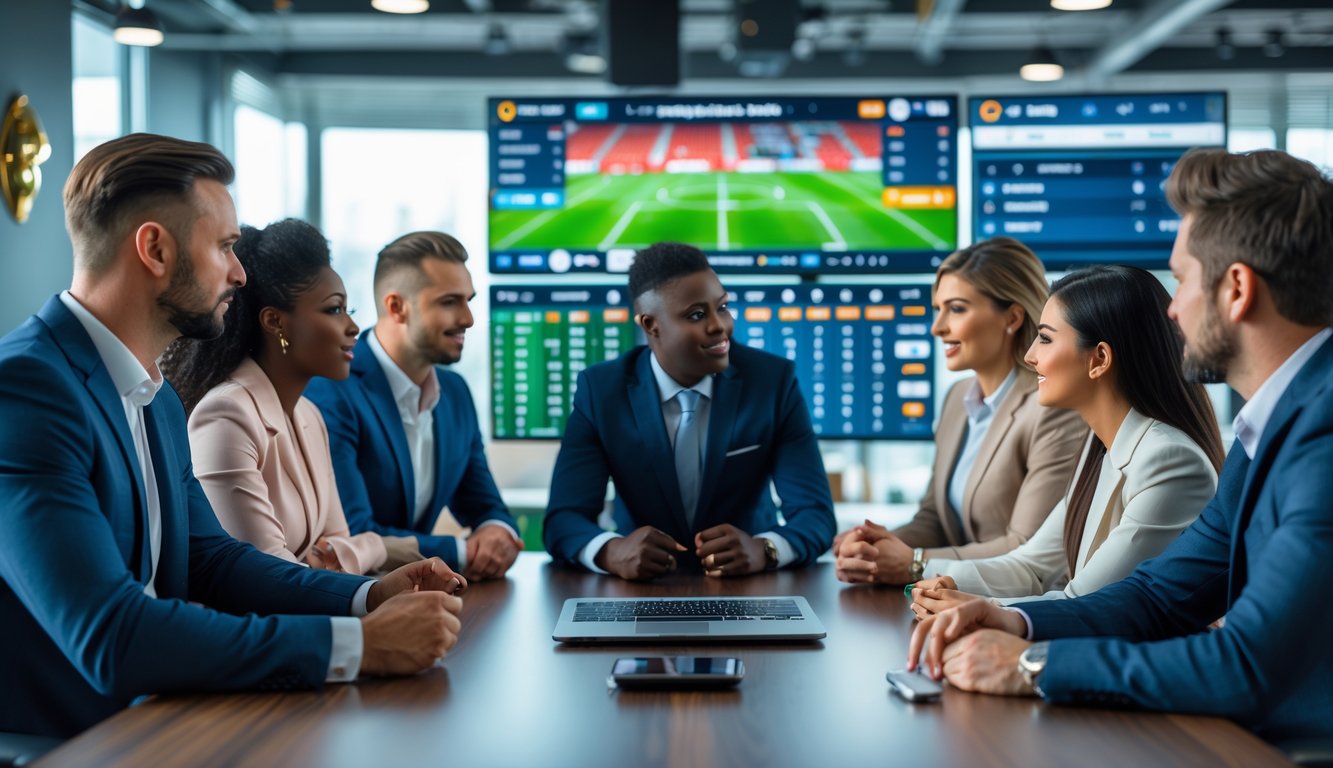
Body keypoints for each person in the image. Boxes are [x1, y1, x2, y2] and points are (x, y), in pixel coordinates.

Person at [0, 133, 466, 739]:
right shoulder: (29, 390)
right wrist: (359, 643)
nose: (241, 273)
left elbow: (212, 561)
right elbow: (110, 635)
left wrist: (365, 597)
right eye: (224, 246)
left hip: (164, 721)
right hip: (71, 744)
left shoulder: (156, 395)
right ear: (155, 249)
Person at [907, 148, 1333, 749]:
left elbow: (1247, 666)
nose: (1171, 308)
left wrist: (1031, 665)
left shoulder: (1322, 434)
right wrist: (1015, 618)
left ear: (1237, 289)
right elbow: (1160, 595)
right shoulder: (1270, 428)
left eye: (1182, 280)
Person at [908, 266, 1223, 616]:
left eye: (1044, 338)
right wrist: (941, 581)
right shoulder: (1099, 447)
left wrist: (982, 610)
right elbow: (1031, 567)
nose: (1030, 356)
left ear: (1099, 359)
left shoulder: (1170, 463)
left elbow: (1088, 605)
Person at [543, 242, 836, 580]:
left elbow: (815, 515)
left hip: (751, 589)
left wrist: (765, 549)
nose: (719, 326)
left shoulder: (772, 382)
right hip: (638, 593)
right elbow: (564, 519)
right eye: (697, 315)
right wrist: (612, 552)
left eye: (722, 307)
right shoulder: (601, 391)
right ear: (651, 325)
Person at [162, 219, 419, 576]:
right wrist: (375, 545)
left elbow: (337, 547)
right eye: (333, 309)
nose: (353, 327)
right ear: (275, 322)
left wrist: (332, 557)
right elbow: (265, 578)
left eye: (350, 310)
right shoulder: (225, 416)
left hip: (313, 617)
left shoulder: (310, 416)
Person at [836, 237, 1086, 585]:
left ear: (1012, 317)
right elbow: (934, 518)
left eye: (955, 309)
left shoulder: (1053, 408)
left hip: (1024, 604)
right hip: (955, 598)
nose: (937, 327)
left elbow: (1026, 546)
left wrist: (915, 562)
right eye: (937, 309)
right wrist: (873, 546)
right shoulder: (957, 398)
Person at [305, 231, 522, 581]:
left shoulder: (455, 392)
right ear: (397, 307)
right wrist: (465, 552)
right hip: (358, 606)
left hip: (428, 598)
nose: (468, 318)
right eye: (450, 302)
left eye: (469, 300)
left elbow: (486, 505)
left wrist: (497, 531)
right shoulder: (333, 390)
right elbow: (357, 533)